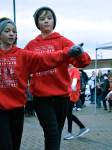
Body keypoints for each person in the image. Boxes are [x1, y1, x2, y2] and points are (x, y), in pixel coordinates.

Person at [0, 18, 84, 150]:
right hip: (1, 109)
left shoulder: (23, 55)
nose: (11, 34)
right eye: (7, 31)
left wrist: (67, 52)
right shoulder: (26, 48)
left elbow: (45, 59)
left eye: (14, 31)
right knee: (5, 145)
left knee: (15, 145)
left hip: (17, 109)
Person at [24, 6, 91, 150]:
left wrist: (80, 53)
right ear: (37, 24)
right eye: (42, 19)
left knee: (55, 134)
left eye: (49, 18)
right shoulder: (31, 45)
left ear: (54, 21)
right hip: (41, 98)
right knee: (52, 132)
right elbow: (24, 66)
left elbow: (83, 62)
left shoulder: (63, 41)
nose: (46, 21)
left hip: (61, 97)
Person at [64, 65, 90, 140]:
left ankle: (70, 132)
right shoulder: (67, 70)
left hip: (73, 94)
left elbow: (75, 80)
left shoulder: (75, 70)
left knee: (68, 113)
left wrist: (73, 86)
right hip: (68, 94)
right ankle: (82, 128)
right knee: (68, 113)